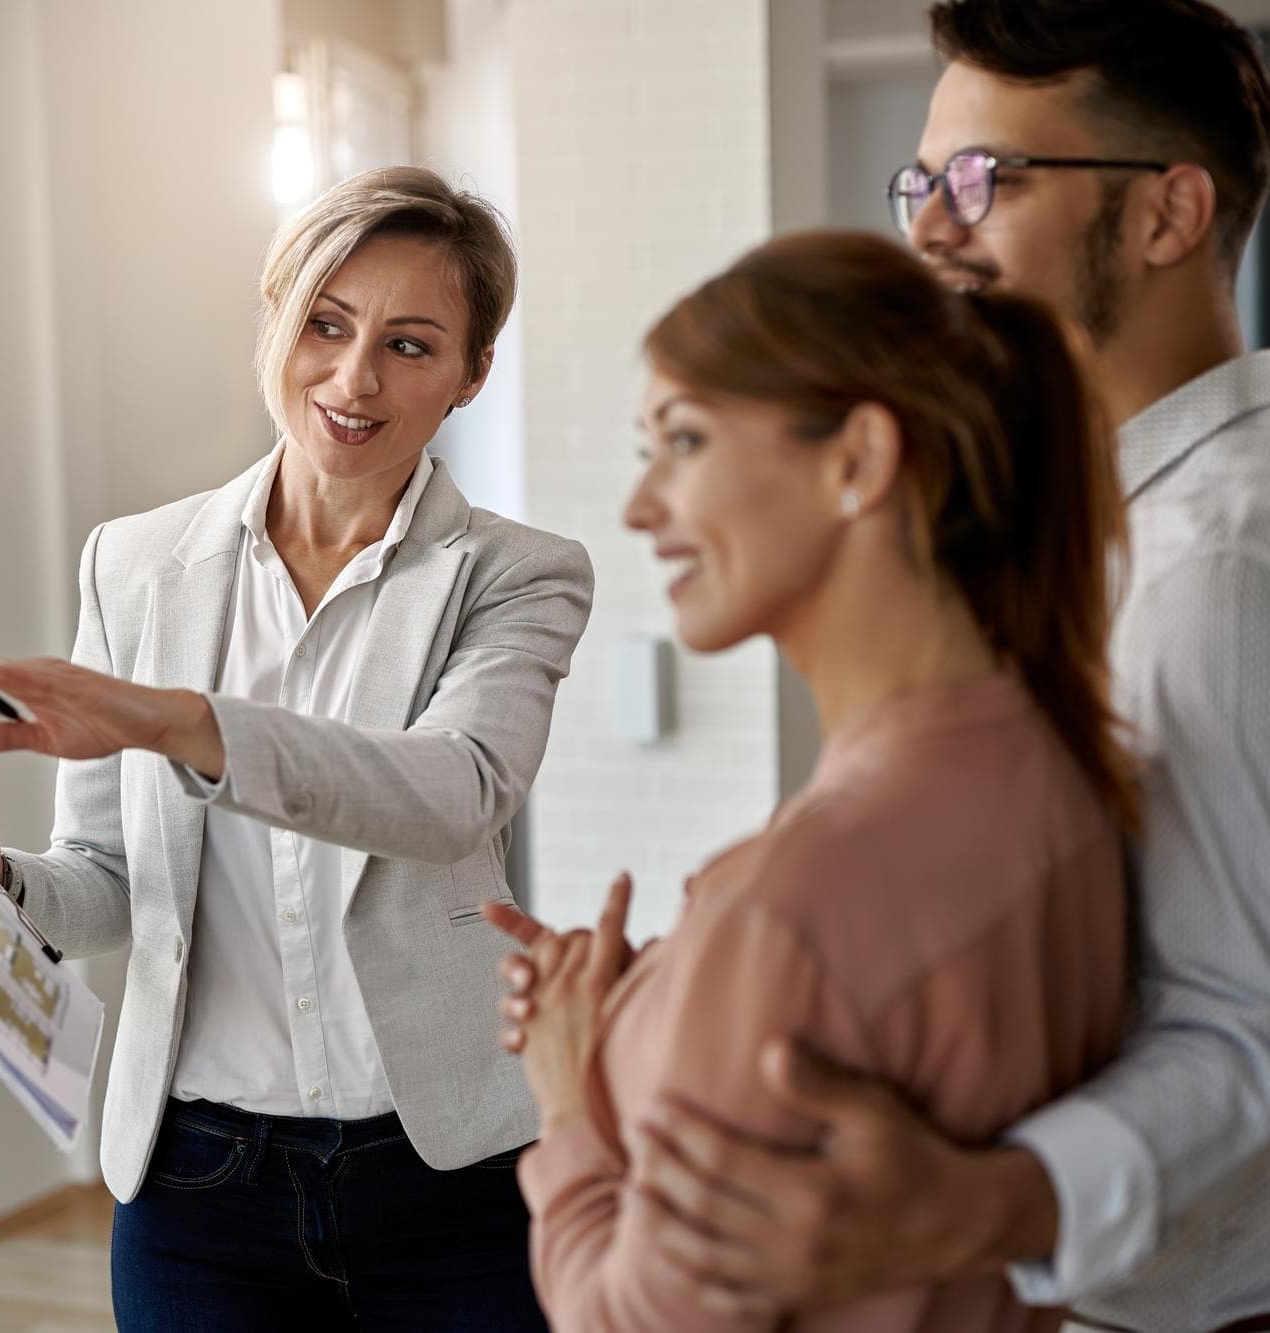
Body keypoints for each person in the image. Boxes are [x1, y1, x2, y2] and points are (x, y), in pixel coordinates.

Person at [560, 3, 1270, 1330]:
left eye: (986, 179)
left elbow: (1234, 1040)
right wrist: (699, 987)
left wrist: (974, 1205)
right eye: (922, 181)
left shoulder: (1227, 569)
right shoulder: (1076, 531)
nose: (930, 228)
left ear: (1165, 215)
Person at [0, 165, 592, 1331]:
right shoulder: (130, 565)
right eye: (323, 322)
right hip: (198, 1184)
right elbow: (115, 883)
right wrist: (6, 888)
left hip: (447, 1172)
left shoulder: (515, 573)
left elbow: (451, 795)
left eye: (410, 345)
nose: (353, 376)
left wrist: (183, 724)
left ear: (472, 374)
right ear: (272, 314)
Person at [484, 229, 1137, 1331]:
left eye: (681, 440)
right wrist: (661, 994)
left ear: (856, 461)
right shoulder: (1055, 773)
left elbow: (622, 1320)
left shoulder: (787, 909)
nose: (639, 507)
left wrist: (567, 1103)